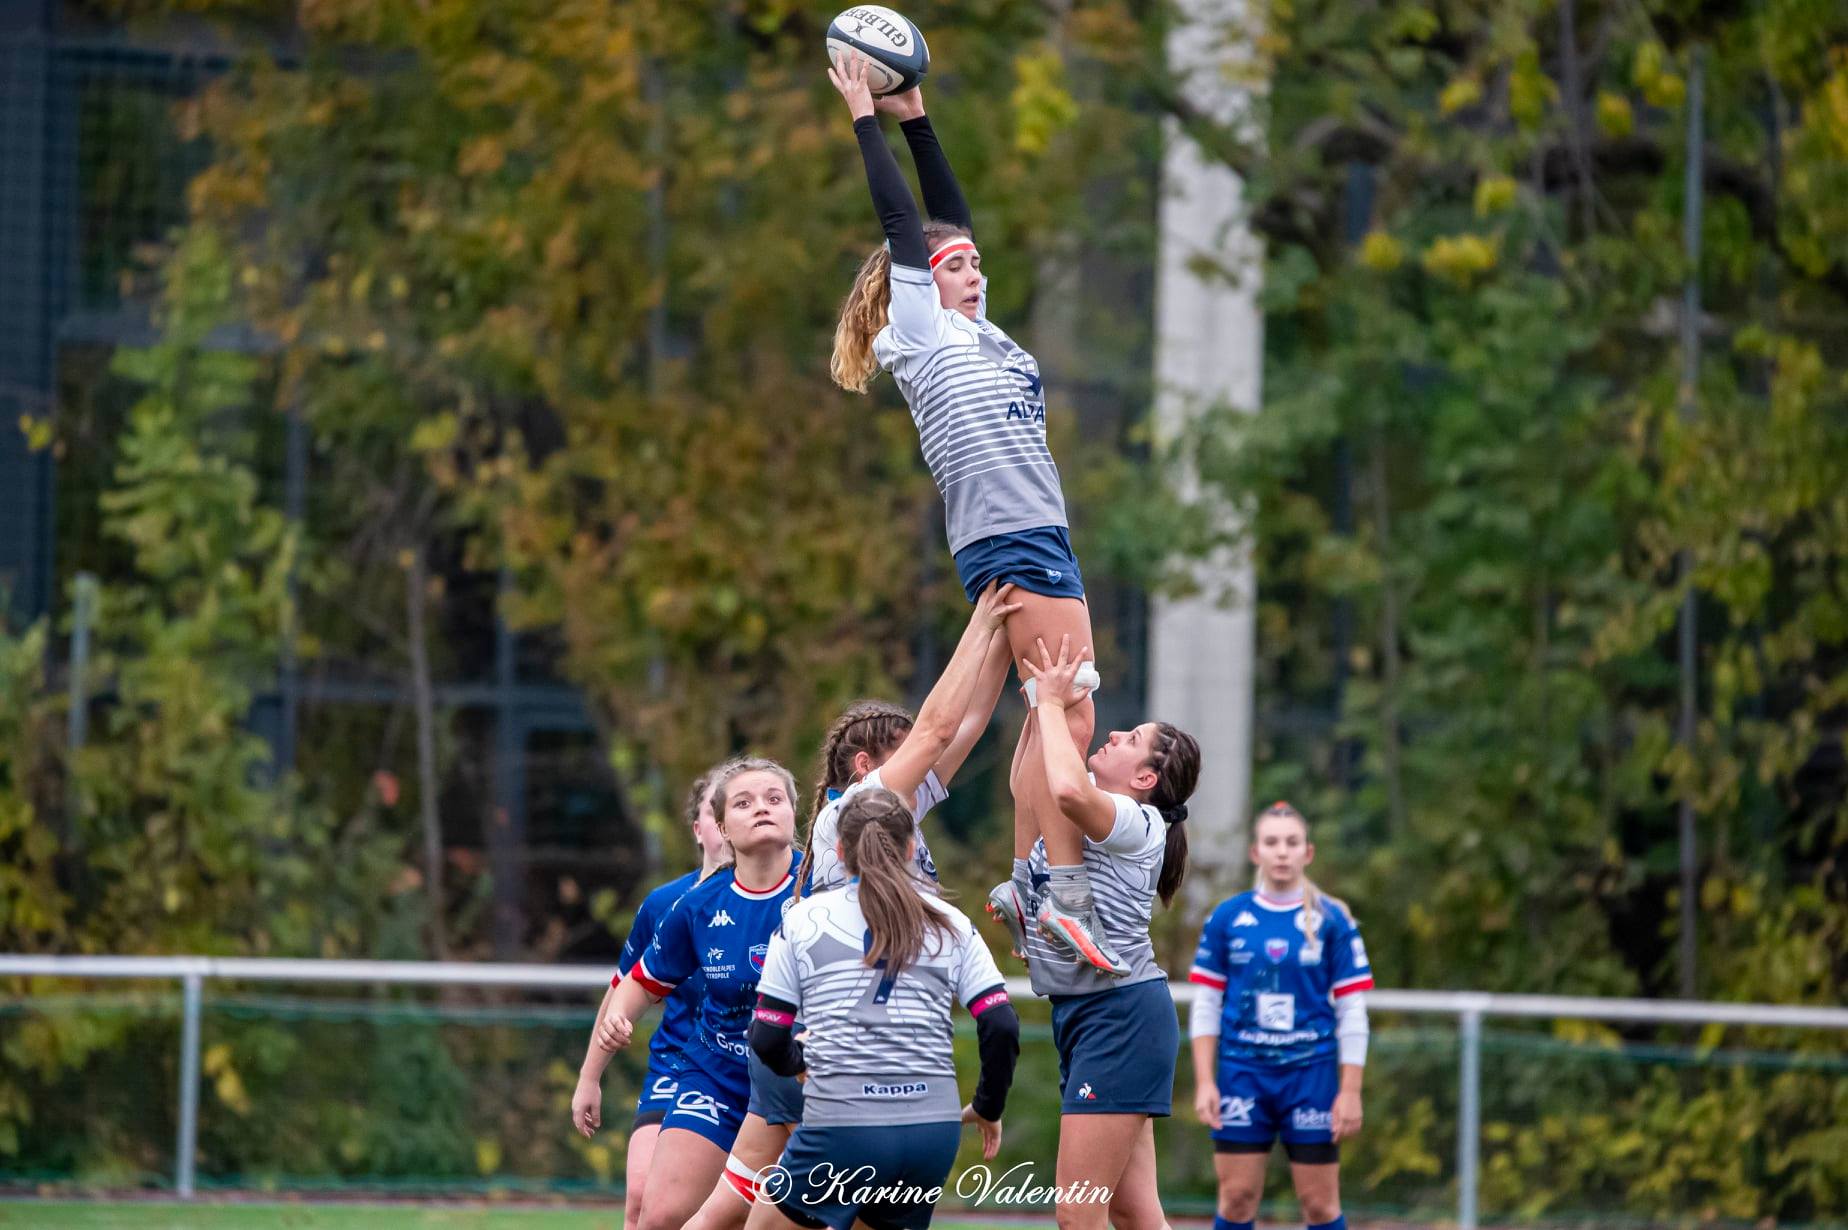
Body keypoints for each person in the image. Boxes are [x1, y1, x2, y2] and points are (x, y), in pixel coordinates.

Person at [826, 51, 1118, 974]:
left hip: (1034, 534)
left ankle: (1031, 880)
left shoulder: (979, 330)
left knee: (1050, 715)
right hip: (1013, 535)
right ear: (919, 282)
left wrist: (918, 116)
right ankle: (1052, 888)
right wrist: (865, 119)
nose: (972, 271)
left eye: (977, 264)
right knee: (1069, 711)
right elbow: (905, 224)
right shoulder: (921, 329)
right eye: (955, 268)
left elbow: (948, 218)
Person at [686, 583, 1020, 1228]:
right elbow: (939, 728)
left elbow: (969, 723)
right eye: (907, 751)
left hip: (849, 1055)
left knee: (743, 1204)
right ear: (866, 766)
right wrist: (981, 621)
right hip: (828, 1052)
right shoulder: (853, 810)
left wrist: (1009, 630)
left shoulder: (894, 815)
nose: (926, 759)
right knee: (749, 1209)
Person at [746, 786, 1021, 1230]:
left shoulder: (803, 918)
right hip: (931, 1132)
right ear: (911, 849)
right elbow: (1001, 1024)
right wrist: (988, 1105)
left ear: (839, 851)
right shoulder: (951, 922)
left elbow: (766, 1036)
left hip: (843, 1124)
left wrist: (800, 1061)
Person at [1011, 635, 1202, 1230]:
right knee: (1132, 1210)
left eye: (1132, 739)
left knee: (1078, 1212)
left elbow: (1068, 790)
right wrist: (1040, 705)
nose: (1115, 735)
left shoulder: (1139, 822)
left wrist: (1052, 705)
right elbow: (1030, 788)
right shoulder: (1093, 821)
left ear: (1145, 778)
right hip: (1094, 1013)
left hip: (1119, 1016)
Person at [575, 759, 803, 1230]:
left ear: (794, 813)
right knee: (659, 1215)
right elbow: (637, 983)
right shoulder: (697, 905)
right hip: (719, 1074)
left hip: (804, 1077)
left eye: (774, 798)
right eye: (744, 803)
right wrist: (617, 1021)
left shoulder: (828, 887)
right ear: (721, 827)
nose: (762, 808)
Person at [1188, 802, 1374, 1230]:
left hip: (1311, 1076)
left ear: (1308, 852)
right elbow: (1206, 1003)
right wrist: (1205, 1081)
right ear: (1256, 852)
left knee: (1319, 1205)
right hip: (1242, 1073)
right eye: (1272, 842)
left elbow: (1352, 1010)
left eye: (1292, 842)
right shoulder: (1228, 917)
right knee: (1236, 1199)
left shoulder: (1333, 921)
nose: (1282, 851)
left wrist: (1350, 1090)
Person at [571, 767, 734, 1227]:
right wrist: (589, 1077)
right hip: (677, 1065)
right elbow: (625, 988)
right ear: (699, 828)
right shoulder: (667, 904)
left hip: (750, 1069)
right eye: (717, 809)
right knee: (643, 1195)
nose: (728, 820)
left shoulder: (790, 893)